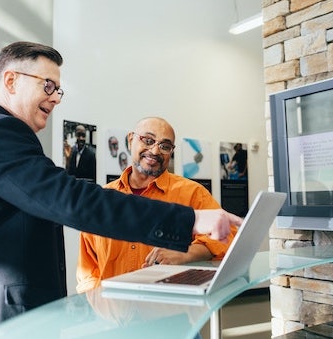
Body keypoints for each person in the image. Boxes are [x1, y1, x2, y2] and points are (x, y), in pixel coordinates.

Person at [0, 41, 242, 339]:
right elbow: (73, 201)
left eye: (58, 89)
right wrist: (190, 220)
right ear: (10, 81)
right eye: (47, 85)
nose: (56, 97)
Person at [76, 117, 238, 293]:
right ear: (131, 140)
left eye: (165, 146)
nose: (154, 150)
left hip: (170, 311)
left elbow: (228, 237)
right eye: (148, 140)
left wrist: (186, 253)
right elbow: (88, 269)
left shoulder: (192, 193)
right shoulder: (103, 199)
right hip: (113, 314)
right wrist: (98, 307)